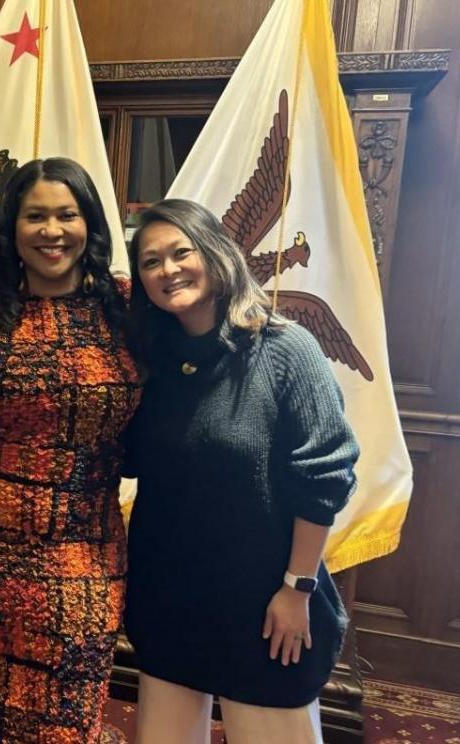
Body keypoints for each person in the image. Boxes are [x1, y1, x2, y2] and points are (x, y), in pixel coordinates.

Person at [122, 198, 360, 744]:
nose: (167, 269)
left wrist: (297, 589)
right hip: (170, 594)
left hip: (265, 601)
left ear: (215, 252)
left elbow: (325, 480)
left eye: (181, 252)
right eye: (150, 261)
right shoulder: (150, 359)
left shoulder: (286, 349)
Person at [0, 157, 142, 743]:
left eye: (66, 214)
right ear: (12, 229)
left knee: (69, 705)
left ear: (90, 224)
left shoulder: (127, 309)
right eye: (36, 216)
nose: (52, 231)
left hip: (85, 539)